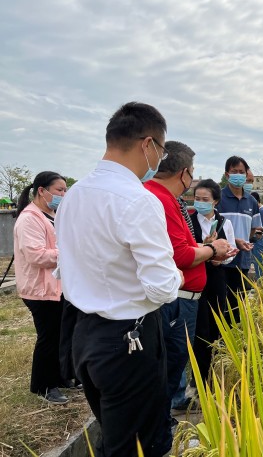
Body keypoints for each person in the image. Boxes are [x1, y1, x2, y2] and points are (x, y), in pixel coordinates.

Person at [55, 102, 183, 457]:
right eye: (161, 149)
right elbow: (162, 288)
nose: (160, 159)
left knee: (115, 434)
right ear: (148, 145)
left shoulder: (73, 196)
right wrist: (175, 270)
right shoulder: (138, 201)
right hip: (129, 341)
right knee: (141, 443)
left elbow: (66, 265)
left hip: (84, 336)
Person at [144, 142, 233, 423]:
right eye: (192, 173)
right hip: (178, 298)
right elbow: (180, 254)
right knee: (172, 360)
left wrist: (209, 251)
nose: (192, 180)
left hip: (188, 296)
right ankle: (162, 424)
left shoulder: (167, 199)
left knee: (177, 357)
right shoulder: (160, 199)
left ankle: (170, 407)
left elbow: (180, 246)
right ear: (184, 173)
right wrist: (212, 250)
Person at [13, 171, 68, 404]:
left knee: (61, 335)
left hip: (57, 287)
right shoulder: (29, 219)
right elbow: (36, 256)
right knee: (48, 337)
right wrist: (69, 253)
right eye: (59, 190)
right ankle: (43, 385)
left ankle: (60, 378)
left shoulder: (52, 214)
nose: (63, 194)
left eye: (65, 190)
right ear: (42, 191)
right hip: (40, 289)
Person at [190, 179, 237, 384]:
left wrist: (222, 258)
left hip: (217, 278)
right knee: (200, 328)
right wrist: (207, 248)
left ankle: (214, 374)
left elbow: (232, 250)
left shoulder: (225, 223)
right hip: (195, 279)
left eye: (205, 199)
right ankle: (198, 376)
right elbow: (185, 250)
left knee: (217, 323)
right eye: (197, 199)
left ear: (215, 201)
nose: (200, 202)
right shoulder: (189, 222)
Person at [216, 156, 263, 323]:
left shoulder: (251, 201)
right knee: (220, 304)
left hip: (242, 261)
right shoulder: (218, 199)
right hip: (220, 260)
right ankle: (219, 341)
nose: (238, 175)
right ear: (227, 175)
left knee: (238, 304)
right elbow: (211, 229)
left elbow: (254, 230)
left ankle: (234, 339)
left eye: (241, 172)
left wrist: (256, 235)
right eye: (234, 172)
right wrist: (234, 240)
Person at [250, 191, 263, 279]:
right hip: (256, 239)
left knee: (258, 261)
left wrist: (253, 230)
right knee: (255, 260)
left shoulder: (261, 210)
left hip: (258, 240)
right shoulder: (259, 209)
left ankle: (260, 280)